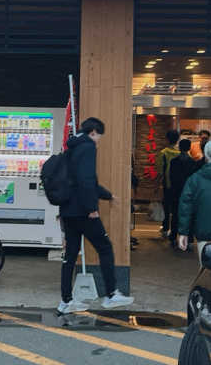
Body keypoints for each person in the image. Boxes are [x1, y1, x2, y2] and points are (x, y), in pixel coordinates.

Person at [58, 117, 135, 314]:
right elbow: (86, 180)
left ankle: (66, 301)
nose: (99, 140)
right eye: (99, 136)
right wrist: (91, 207)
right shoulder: (88, 147)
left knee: (70, 255)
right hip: (83, 211)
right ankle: (111, 294)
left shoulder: (71, 148)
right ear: (93, 132)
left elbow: (82, 182)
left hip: (68, 210)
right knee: (105, 248)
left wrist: (107, 195)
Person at [168, 139, 200, 248]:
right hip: (189, 193)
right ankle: (189, 240)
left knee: (175, 215)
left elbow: (171, 177)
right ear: (189, 148)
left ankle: (173, 237)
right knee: (189, 216)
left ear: (179, 147)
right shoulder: (193, 163)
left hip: (176, 192)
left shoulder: (174, 161)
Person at [157, 129, 181, 237]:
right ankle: (175, 230)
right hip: (179, 185)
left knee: (166, 207)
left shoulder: (163, 153)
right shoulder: (181, 153)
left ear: (167, 139)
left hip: (167, 184)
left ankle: (165, 228)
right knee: (176, 208)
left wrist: (157, 184)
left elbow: (160, 170)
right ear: (177, 140)